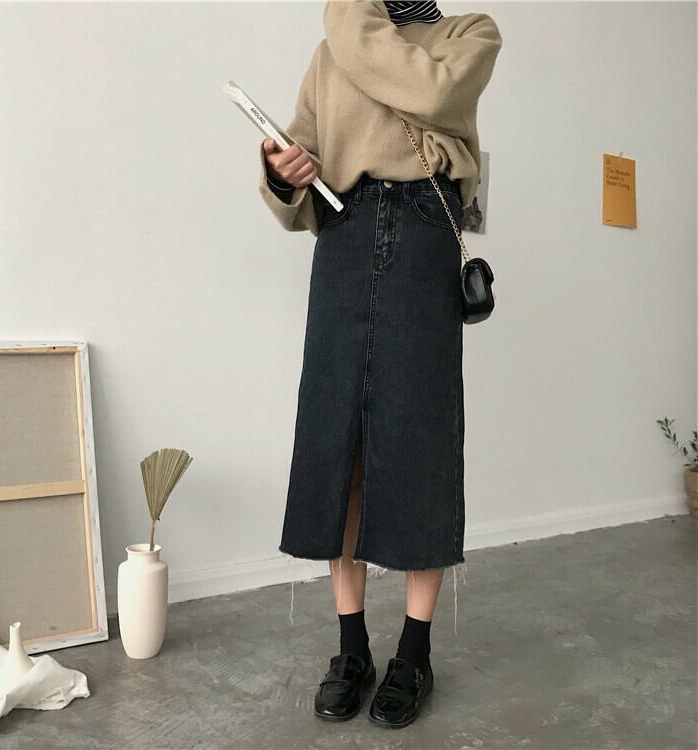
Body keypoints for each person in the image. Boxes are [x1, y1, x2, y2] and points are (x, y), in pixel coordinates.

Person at [257, 0, 502, 729]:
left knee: (419, 441)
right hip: (344, 232)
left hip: (426, 235)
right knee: (341, 442)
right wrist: (284, 169)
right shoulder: (330, 50)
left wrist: (347, 11)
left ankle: (415, 653)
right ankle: (352, 648)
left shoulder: (467, 34)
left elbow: (429, 91)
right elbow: (300, 158)